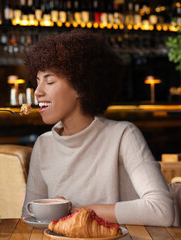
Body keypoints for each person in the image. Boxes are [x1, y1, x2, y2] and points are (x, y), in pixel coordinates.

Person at [21, 29, 174, 226]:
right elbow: (29, 214)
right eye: (37, 82)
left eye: (49, 81)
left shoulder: (123, 135)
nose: (37, 92)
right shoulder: (43, 145)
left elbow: (162, 210)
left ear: (80, 87)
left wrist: (74, 211)